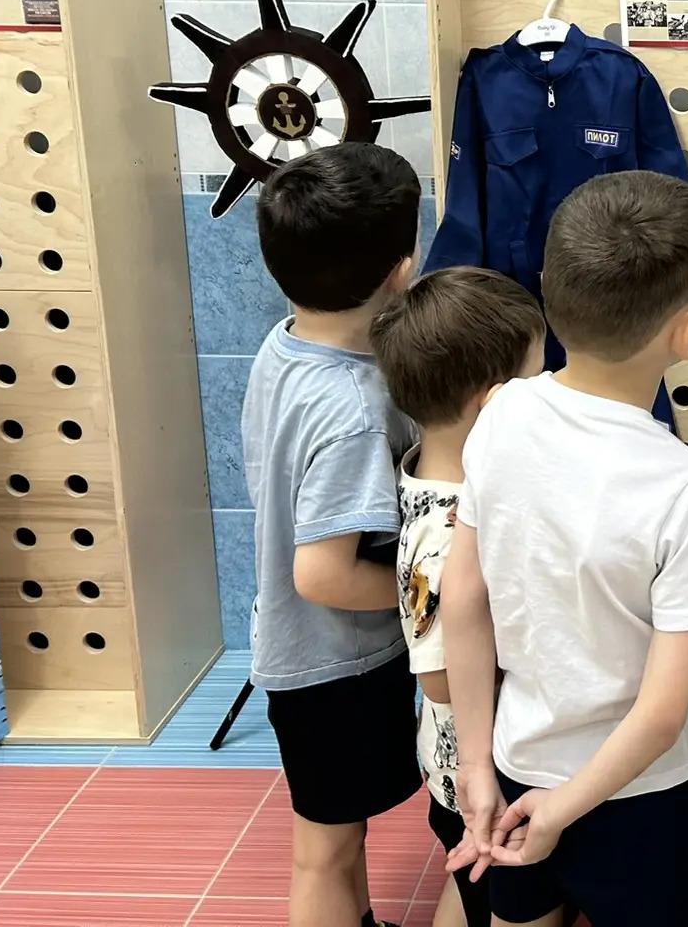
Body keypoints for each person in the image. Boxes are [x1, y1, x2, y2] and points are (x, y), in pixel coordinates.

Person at [440, 171, 688, 927]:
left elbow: (461, 599)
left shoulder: (502, 412)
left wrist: (475, 764)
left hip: (516, 760)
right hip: (642, 795)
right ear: (687, 331)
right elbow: (662, 715)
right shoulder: (687, 486)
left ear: (550, 294)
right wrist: (567, 808)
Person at [242, 142, 423, 927]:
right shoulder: (352, 410)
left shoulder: (284, 343)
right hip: (332, 660)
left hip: (308, 650)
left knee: (339, 838)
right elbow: (323, 574)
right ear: (402, 270)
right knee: (324, 850)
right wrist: (431, 594)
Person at [370, 267, 547, 927]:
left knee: (469, 886)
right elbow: (441, 677)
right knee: (491, 896)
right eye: (537, 382)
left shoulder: (432, 465)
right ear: (492, 404)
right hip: (474, 773)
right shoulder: (449, 527)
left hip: (459, 762)